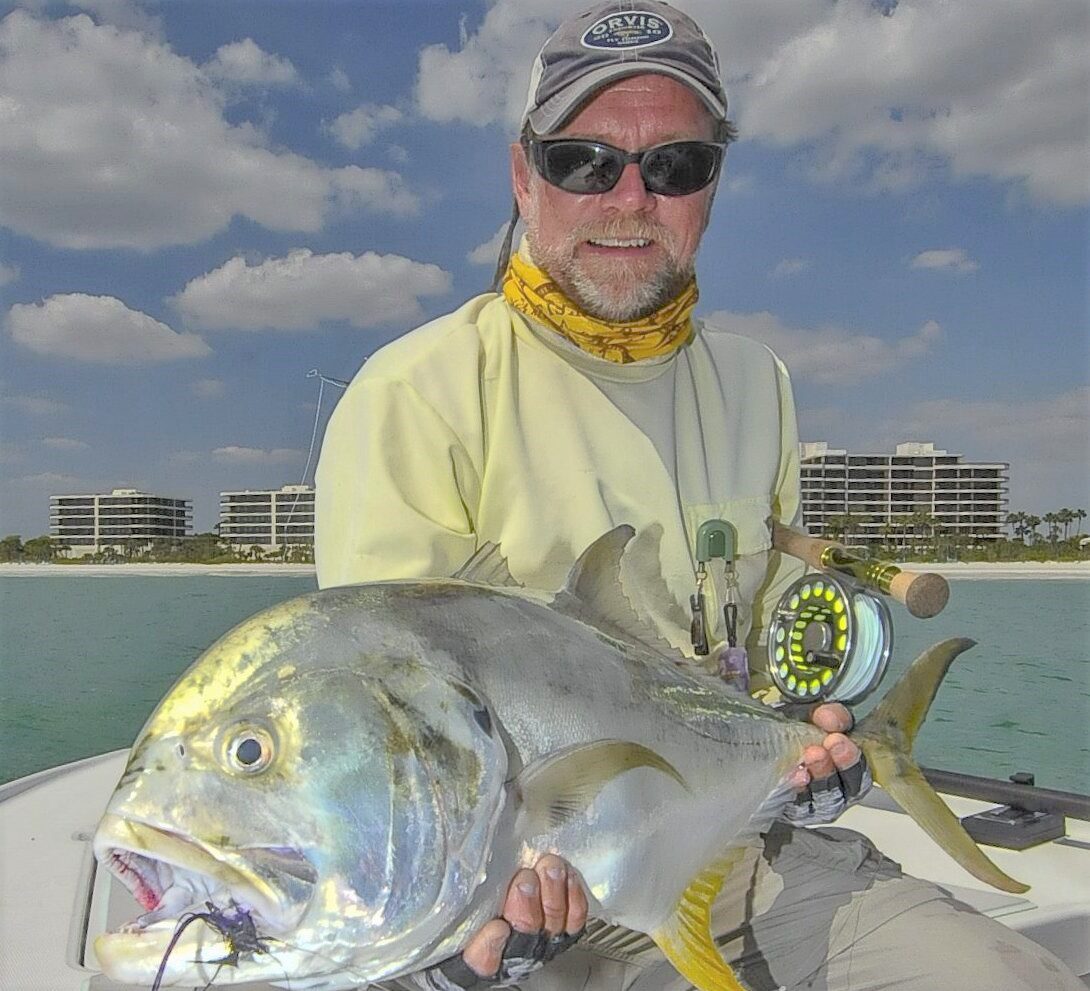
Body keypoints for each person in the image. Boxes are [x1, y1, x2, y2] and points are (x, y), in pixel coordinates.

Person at [315, 3, 1082, 989]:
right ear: (522, 176)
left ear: (711, 187)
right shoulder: (414, 393)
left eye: (673, 165)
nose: (628, 198)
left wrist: (810, 751)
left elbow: (757, 659)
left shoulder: (757, 382)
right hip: (516, 896)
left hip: (736, 855)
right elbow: (401, 738)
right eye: (584, 161)